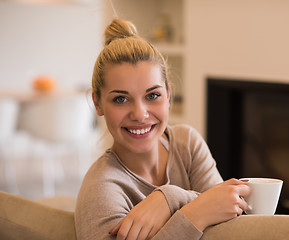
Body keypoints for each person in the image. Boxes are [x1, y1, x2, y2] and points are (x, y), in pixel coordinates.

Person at [75, 18, 251, 240]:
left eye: (153, 95)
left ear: (168, 95)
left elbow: (228, 213)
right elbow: (214, 203)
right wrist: (194, 214)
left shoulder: (187, 143)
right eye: (120, 99)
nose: (140, 114)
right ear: (98, 104)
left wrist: (171, 197)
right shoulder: (101, 189)